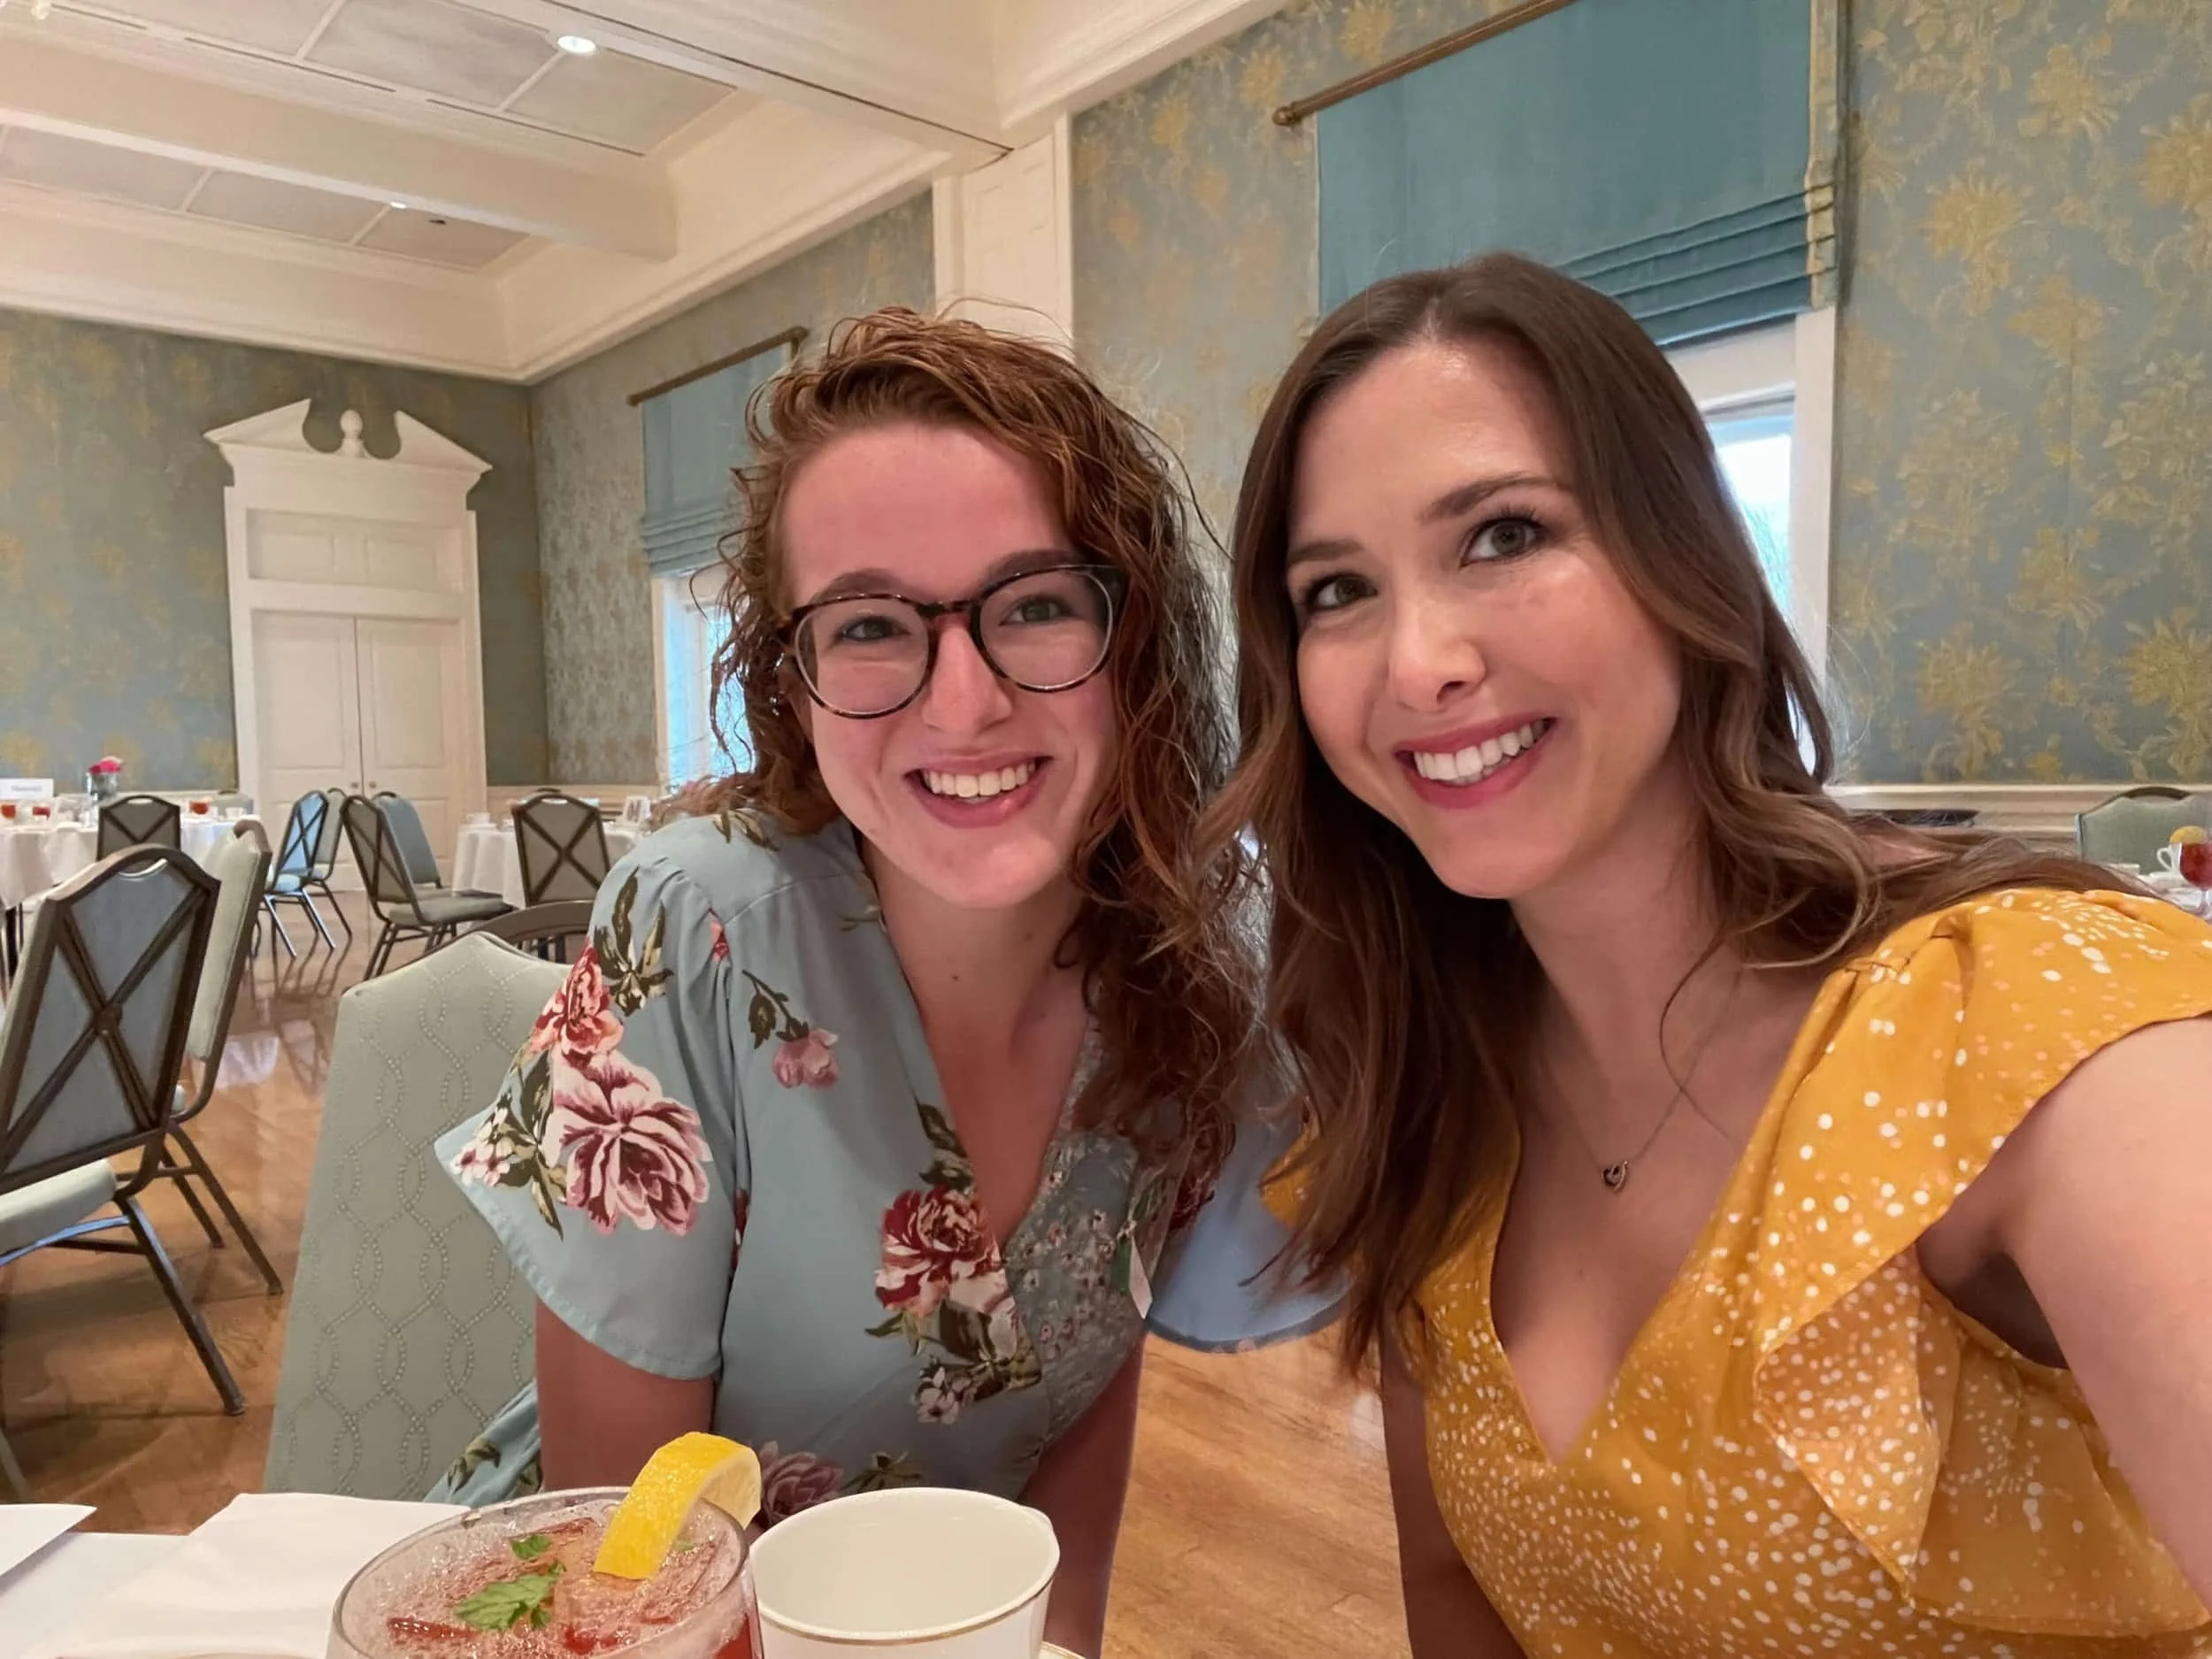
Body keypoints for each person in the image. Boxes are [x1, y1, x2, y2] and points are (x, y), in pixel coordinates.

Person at [1204, 253, 2212, 1656]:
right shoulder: (1430, 1088)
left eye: (1501, 534)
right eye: (1335, 591)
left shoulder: (2024, 1013)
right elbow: (1456, 1587)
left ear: (1686, 557)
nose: (1418, 659)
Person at [434, 307, 1313, 1657]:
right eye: (868, 626)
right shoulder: (698, 930)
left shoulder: (1200, 966)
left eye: (1032, 604)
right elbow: (623, 1556)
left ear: (1133, 639)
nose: (961, 703)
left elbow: (1084, 1376)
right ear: (791, 685)